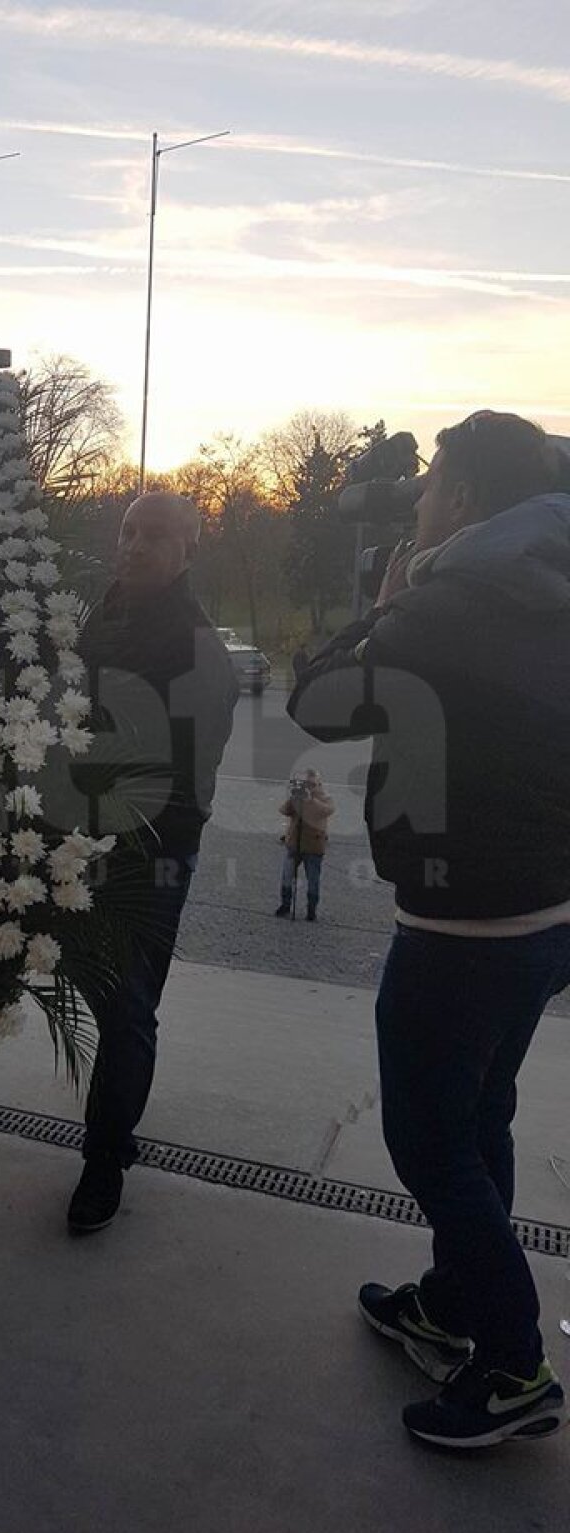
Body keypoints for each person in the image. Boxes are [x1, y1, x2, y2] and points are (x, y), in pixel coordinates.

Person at [289, 410, 570, 1448]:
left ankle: (512, 1362)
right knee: (480, 1111)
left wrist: (384, 606)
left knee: (428, 1137)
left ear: (462, 498)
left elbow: (318, 702)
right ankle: (454, 1304)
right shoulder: (554, 583)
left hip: (466, 924)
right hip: (546, 912)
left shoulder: (455, 602)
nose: (415, 500)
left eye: (429, 484)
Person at [67, 491, 238, 1234]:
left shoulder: (198, 650)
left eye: (155, 537)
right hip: (82, 839)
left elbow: (189, 786)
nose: (134, 546)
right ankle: (117, 1117)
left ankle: (105, 1159)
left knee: (130, 1008)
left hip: (152, 854)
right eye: (128, 532)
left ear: (187, 551)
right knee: (104, 996)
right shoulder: (98, 619)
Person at [274, 768, 334, 921]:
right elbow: (284, 810)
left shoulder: (325, 797)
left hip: (314, 846)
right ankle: (285, 905)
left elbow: (327, 811)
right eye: (306, 784)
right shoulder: (298, 797)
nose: (310, 787)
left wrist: (310, 800)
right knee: (287, 876)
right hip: (294, 844)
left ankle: (311, 910)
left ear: (319, 784)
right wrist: (293, 798)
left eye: (312, 784)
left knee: (313, 880)